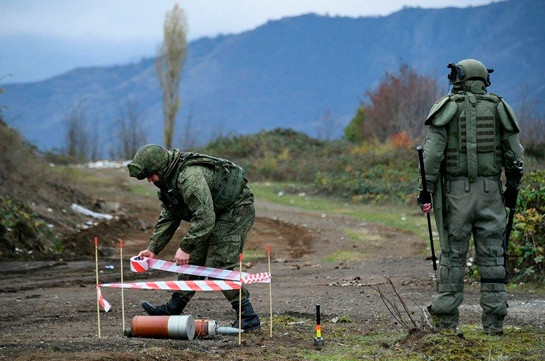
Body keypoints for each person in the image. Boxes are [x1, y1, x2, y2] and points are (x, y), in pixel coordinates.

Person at [417, 59, 524, 335]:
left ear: (458, 78)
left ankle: (445, 323)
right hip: (491, 193)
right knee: (492, 257)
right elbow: (516, 156)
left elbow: (431, 155)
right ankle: (494, 323)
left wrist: (424, 191)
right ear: (483, 80)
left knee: (452, 257)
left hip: (455, 195)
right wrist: (512, 188)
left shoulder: (446, 108)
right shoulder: (500, 108)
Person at [127, 144, 261, 331]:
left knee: (218, 265)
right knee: (194, 262)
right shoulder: (168, 181)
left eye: (150, 175)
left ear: (161, 169)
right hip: (215, 211)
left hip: (236, 209)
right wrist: (153, 248)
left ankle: (248, 317)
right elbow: (169, 216)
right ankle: (173, 308)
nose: (149, 180)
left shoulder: (190, 178)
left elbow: (205, 217)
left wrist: (186, 246)